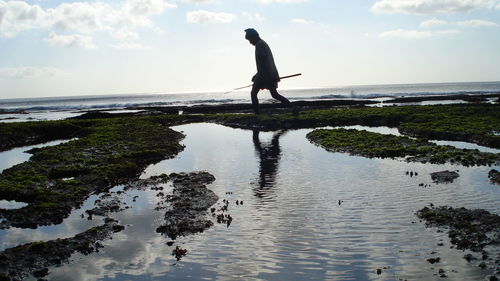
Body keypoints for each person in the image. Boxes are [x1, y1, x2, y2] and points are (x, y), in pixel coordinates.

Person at [245, 28, 291, 114]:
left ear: (254, 37)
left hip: (265, 75)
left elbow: (263, 63)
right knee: (274, 94)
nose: (250, 43)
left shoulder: (260, 45)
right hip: (269, 74)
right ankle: (293, 107)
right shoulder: (262, 44)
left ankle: (257, 114)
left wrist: (258, 76)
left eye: (250, 40)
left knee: (253, 93)